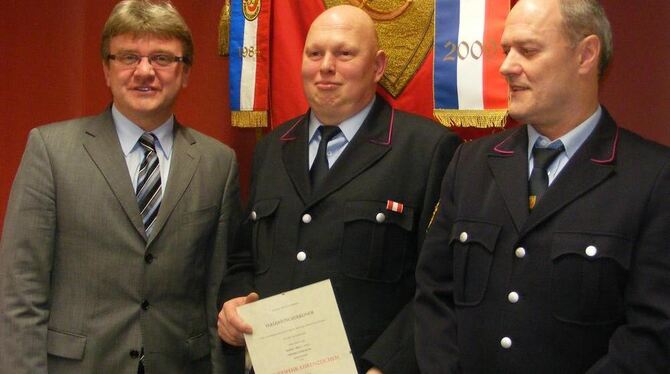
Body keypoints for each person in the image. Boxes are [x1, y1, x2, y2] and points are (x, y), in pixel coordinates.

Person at [415, 0, 670, 372]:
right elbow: (434, 294)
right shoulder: (470, 164)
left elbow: (653, 332)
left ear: (585, 55)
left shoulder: (652, 177)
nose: (505, 67)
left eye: (528, 50)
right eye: (505, 50)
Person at [0, 1, 242, 373]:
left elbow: (215, 291)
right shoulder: (50, 151)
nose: (144, 71)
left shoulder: (218, 163)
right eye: (129, 57)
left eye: (162, 58)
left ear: (186, 72)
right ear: (106, 70)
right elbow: (21, 290)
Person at [217, 5, 461, 374]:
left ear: (378, 66)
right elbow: (243, 261)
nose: (326, 66)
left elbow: (441, 284)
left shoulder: (426, 150)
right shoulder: (271, 147)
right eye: (314, 53)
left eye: (344, 53)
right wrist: (233, 304)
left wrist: (388, 366)